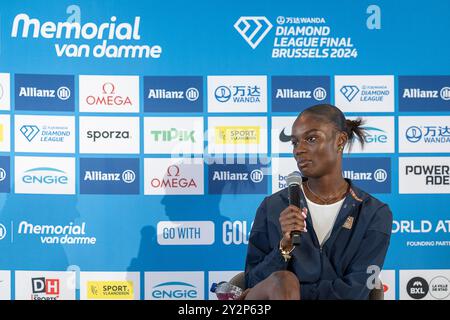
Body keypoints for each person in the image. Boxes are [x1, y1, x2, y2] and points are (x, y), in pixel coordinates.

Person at [241, 104, 393, 300]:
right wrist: (283, 249)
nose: (299, 150)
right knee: (284, 280)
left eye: (311, 139)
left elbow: (357, 290)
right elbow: (252, 285)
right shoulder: (272, 206)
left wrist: (291, 294)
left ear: (340, 140)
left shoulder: (374, 213)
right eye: (295, 143)